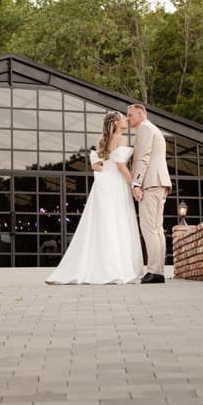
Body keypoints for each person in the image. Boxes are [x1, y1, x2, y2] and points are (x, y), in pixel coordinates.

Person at [45, 111, 144, 285]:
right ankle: (116, 268)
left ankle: (102, 267)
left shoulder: (103, 141)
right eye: (123, 118)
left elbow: (97, 166)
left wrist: (109, 169)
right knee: (118, 221)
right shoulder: (120, 138)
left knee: (103, 224)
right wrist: (133, 183)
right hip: (116, 183)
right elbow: (120, 165)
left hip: (104, 184)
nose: (126, 120)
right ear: (115, 123)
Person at [126, 103, 172, 284]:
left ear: (140, 114)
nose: (128, 118)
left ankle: (154, 271)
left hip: (151, 183)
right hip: (159, 182)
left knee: (149, 228)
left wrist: (136, 183)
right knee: (157, 228)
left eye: (130, 115)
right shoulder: (153, 128)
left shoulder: (145, 128)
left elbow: (143, 157)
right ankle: (158, 271)